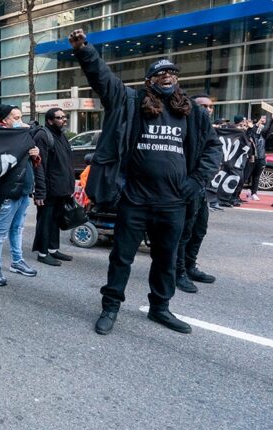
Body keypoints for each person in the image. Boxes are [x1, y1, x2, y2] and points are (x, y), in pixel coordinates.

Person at [68, 30, 220, 336]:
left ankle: (160, 308)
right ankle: (110, 307)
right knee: (121, 257)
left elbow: (212, 148)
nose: (167, 77)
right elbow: (103, 80)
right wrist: (84, 50)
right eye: (160, 73)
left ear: (177, 79)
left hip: (174, 203)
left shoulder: (190, 112)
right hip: (135, 200)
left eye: (172, 73)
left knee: (165, 259)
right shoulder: (131, 101)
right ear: (149, 80)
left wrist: (196, 181)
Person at [0, 105, 41, 286]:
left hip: (24, 191)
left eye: (20, 117)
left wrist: (35, 154)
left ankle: (17, 261)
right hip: (7, 193)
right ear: (5, 120)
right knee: (0, 232)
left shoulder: (21, 136)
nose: (20, 122)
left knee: (17, 229)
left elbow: (31, 163)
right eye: (15, 118)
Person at [175, 94, 218, 293]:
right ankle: (178, 272)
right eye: (203, 106)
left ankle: (190, 266)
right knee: (184, 233)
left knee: (199, 230)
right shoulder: (183, 125)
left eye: (210, 106)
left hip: (200, 189)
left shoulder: (207, 129)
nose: (208, 110)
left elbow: (213, 153)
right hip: (184, 189)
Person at [32, 107, 76, 266]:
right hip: (49, 189)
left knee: (55, 220)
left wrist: (70, 187)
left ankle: (52, 249)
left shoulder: (61, 135)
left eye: (64, 117)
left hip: (61, 189)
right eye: (59, 118)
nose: (64, 120)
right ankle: (43, 254)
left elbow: (66, 164)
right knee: (45, 221)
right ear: (50, 120)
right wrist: (40, 192)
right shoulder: (43, 136)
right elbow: (39, 166)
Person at [245, 111, 273, 201]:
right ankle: (239, 193)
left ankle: (253, 192)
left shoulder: (263, 136)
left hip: (261, 158)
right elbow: (252, 130)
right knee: (247, 175)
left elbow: (269, 130)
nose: (261, 126)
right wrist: (257, 123)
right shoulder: (251, 134)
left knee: (256, 176)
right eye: (259, 124)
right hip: (252, 157)